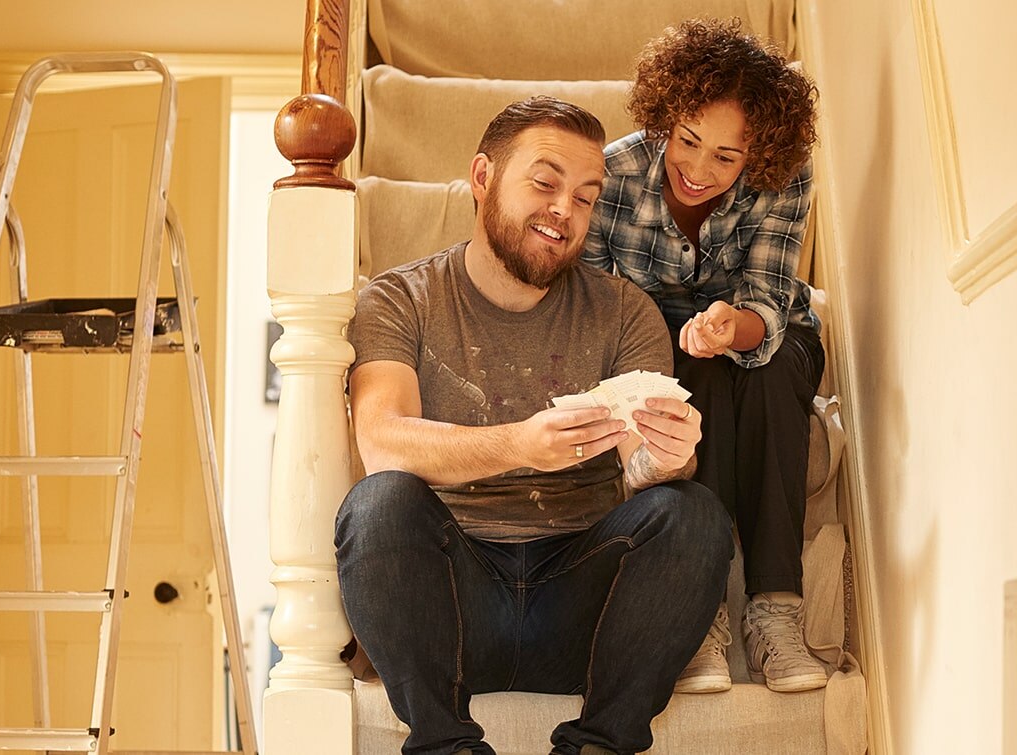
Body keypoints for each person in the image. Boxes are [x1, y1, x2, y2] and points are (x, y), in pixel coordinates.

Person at [336, 96, 732, 755]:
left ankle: (599, 743)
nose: (564, 212)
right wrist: (519, 444)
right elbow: (382, 441)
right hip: (452, 604)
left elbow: (640, 470)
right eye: (545, 183)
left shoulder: (625, 311)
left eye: (585, 196)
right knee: (377, 504)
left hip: (582, 604)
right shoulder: (399, 298)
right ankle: (446, 744)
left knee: (692, 511)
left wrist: (667, 456)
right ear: (483, 177)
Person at [582, 19, 827, 695]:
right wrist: (677, 343)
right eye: (688, 141)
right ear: (666, 117)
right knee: (689, 380)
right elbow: (602, 311)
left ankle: (776, 610)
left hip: (760, 332)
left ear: (759, 155)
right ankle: (701, 613)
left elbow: (771, 305)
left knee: (772, 369)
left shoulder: (787, 178)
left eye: (726, 157)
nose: (697, 169)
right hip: (654, 342)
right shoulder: (613, 175)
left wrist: (731, 327)